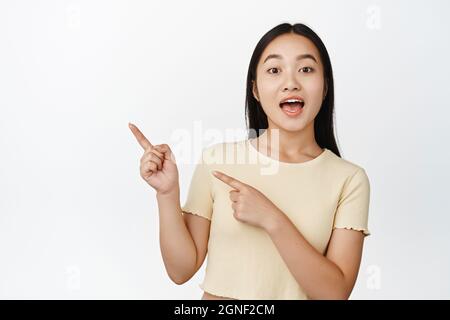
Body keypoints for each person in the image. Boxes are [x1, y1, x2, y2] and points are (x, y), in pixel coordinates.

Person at [129, 22, 371, 300]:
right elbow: (180, 270)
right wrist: (167, 193)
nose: (291, 82)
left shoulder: (349, 180)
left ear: (325, 86)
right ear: (255, 90)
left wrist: (273, 220)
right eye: (274, 70)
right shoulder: (218, 161)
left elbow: (334, 293)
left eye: (306, 69)